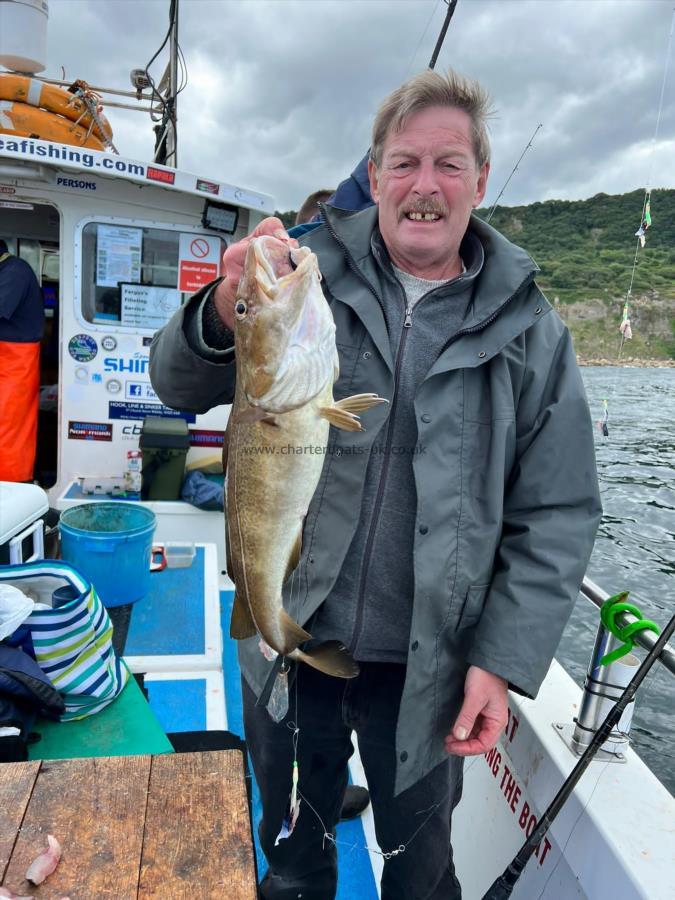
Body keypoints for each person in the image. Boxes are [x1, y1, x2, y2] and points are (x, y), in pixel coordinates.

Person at [149, 68, 602, 899]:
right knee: (289, 862)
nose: (423, 186)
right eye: (402, 163)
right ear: (375, 170)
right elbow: (178, 385)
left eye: (447, 164)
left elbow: (558, 513)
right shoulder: (307, 272)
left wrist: (499, 662)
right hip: (294, 651)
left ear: (479, 179)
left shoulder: (532, 332)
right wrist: (223, 311)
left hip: (429, 672)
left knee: (422, 875)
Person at [0, 239, 45, 482]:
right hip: (7, 360)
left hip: (15, 362)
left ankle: (12, 484)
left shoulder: (15, 271)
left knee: (9, 426)